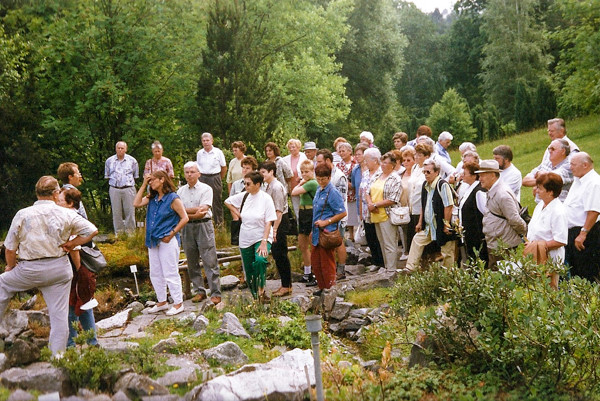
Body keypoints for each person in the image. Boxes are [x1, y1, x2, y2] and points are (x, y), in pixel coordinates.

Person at [2, 176, 98, 356]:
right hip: (58, 269)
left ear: (37, 193)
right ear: (55, 194)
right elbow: (92, 230)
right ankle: (58, 357)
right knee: (59, 316)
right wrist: (72, 243)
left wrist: (10, 267)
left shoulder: (23, 214)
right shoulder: (66, 213)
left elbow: (10, 247)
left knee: (2, 286)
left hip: (29, 268)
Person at [134, 171, 189, 316]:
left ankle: (178, 303)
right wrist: (144, 184)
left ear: (162, 180)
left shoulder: (173, 198)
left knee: (170, 272)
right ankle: (162, 301)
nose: (150, 182)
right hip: (153, 240)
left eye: (152, 180)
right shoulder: (152, 198)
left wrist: (172, 233)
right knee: (155, 272)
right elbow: (136, 203)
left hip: (167, 240)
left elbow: (185, 218)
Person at [56, 188, 99, 348]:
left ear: (70, 203)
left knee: (72, 306)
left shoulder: (71, 220)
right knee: (84, 303)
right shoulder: (78, 218)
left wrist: (79, 270)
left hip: (77, 269)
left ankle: (71, 345)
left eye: (60, 201)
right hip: (81, 269)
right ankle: (92, 342)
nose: (57, 203)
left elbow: (75, 250)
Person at [225, 171, 276, 302]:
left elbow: (269, 221)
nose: (246, 186)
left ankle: (261, 290)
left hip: (261, 236)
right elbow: (227, 201)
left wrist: (264, 241)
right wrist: (238, 213)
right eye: (245, 183)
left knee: (260, 260)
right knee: (249, 270)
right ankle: (255, 297)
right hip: (245, 236)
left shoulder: (266, 198)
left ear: (257, 184)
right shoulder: (244, 196)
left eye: (248, 184)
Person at [177, 162, 221, 305]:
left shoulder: (206, 189)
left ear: (198, 174)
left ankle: (215, 292)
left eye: (192, 172)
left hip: (203, 226)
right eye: (187, 172)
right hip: (187, 227)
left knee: (209, 259)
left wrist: (185, 210)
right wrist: (191, 211)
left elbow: (203, 210)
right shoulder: (180, 191)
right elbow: (177, 210)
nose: (189, 174)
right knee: (191, 259)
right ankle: (199, 291)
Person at [405, 159, 457, 271]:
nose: (426, 174)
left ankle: (449, 276)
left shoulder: (443, 185)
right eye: (424, 172)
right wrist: (420, 222)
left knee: (447, 251)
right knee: (417, 240)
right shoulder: (425, 185)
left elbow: (449, 206)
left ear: (437, 172)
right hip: (429, 225)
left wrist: (446, 224)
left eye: (428, 172)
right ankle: (410, 268)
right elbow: (424, 205)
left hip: (441, 225)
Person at [477, 160, 527, 268]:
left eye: (482, 175)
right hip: (496, 245)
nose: (480, 179)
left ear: (492, 175)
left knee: (505, 279)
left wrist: (524, 232)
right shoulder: (493, 190)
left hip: (505, 246)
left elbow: (514, 219)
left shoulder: (502, 194)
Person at [526, 172, 568, 288]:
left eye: (540, 188)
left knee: (549, 291)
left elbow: (561, 240)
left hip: (550, 260)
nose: (536, 190)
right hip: (535, 256)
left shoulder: (558, 211)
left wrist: (536, 246)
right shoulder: (540, 205)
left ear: (550, 192)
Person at [563, 152, 600, 282]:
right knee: (576, 272)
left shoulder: (594, 183)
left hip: (586, 233)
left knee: (588, 272)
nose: (570, 167)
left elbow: (594, 211)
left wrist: (583, 233)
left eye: (573, 164)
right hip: (573, 233)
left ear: (585, 165)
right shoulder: (578, 180)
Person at [311, 163, 347, 295]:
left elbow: (342, 212)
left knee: (327, 262)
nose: (321, 181)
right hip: (316, 232)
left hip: (327, 232)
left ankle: (330, 289)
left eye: (324, 179)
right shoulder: (318, 190)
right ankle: (322, 288)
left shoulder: (333, 192)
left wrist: (327, 222)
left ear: (329, 177)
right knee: (316, 262)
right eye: (318, 178)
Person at [259, 161, 293, 297]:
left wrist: (274, 229)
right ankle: (284, 284)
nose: (261, 175)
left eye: (263, 172)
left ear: (271, 172)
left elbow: (279, 210)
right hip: (273, 221)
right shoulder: (268, 186)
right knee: (277, 254)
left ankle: (287, 285)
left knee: (281, 254)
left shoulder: (276, 186)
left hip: (279, 221)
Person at [365, 152, 403, 269]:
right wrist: (371, 204)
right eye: (382, 162)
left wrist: (375, 205)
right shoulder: (377, 175)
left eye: (386, 163)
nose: (383, 165)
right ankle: (386, 267)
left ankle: (391, 269)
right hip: (375, 214)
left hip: (387, 214)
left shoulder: (395, 178)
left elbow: (393, 199)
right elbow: (367, 191)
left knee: (390, 243)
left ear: (392, 165)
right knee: (381, 242)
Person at [316, 149, 348, 279]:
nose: (317, 164)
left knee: (338, 242)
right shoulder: (321, 176)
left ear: (328, 161)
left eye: (319, 161)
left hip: (336, 218)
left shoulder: (338, 176)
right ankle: (330, 270)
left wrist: (330, 220)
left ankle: (341, 270)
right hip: (323, 218)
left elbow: (340, 200)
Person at [292, 160, 319, 286]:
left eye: (307, 172)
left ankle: (315, 273)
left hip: (310, 213)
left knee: (312, 243)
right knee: (303, 245)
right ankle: (307, 272)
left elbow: (294, 192)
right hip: (302, 213)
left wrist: (301, 182)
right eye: (302, 172)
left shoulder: (312, 183)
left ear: (312, 171)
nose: (304, 174)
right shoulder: (306, 182)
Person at [457, 162, 488, 264]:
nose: (462, 175)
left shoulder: (478, 191)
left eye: (465, 173)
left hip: (477, 236)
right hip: (469, 235)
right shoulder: (468, 189)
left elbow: (486, 213)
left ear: (474, 176)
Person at [105, 141, 139, 233]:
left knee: (130, 212)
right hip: (114, 188)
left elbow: (135, 175)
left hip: (128, 188)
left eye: (122, 148)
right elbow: (107, 175)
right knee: (116, 213)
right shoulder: (109, 161)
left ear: (126, 149)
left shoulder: (132, 161)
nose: (120, 150)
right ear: (115, 149)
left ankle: (131, 234)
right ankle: (119, 234)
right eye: (118, 148)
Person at [359, 148, 385, 267]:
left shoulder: (381, 173)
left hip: (377, 209)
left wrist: (374, 205)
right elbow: (362, 192)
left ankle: (382, 262)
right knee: (370, 237)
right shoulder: (365, 174)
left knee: (379, 237)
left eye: (367, 160)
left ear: (375, 160)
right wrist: (360, 212)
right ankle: (375, 262)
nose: (365, 162)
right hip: (365, 210)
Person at [196, 132, 227, 226]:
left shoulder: (218, 152)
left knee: (216, 201)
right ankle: (202, 221)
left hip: (215, 177)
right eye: (203, 141)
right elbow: (197, 167)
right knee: (201, 200)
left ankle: (219, 224)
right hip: (202, 177)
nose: (206, 142)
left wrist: (219, 178)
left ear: (212, 141)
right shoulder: (200, 153)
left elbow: (224, 167)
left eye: (207, 140)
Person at [405, 143, 429, 252]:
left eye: (420, 155)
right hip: (411, 206)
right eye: (416, 155)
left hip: (421, 207)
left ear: (426, 156)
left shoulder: (427, 169)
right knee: (411, 235)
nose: (417, 157)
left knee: (420, 237)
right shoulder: (415, 167)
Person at [336, 142, 357, 241]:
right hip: (344, 193)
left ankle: (357, 234)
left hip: (355, 193)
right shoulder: (338, 165)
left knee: (354, 213)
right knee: (346, 213)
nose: (341, 153)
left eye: (343, 151)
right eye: (340, 151)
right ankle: (349, 234)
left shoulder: (356, 163)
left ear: (349, 151)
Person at [282, 139, 307, 219]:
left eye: (293, 147)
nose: (291, 149)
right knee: (296, 209)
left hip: (303, 186)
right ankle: (299, 227)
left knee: (305, 208)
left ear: (298, 147)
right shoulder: (285, 159)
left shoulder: (303, 157)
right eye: (290, 147)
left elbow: (308, 170)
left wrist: (302, 177)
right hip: (292, 188)